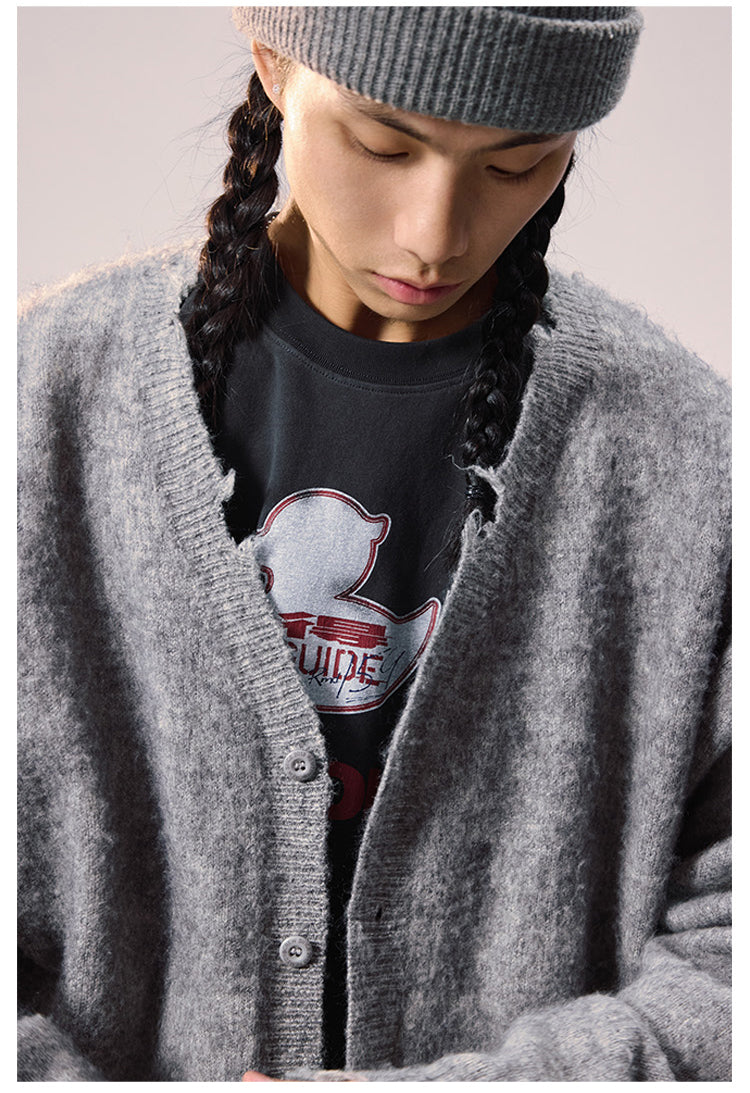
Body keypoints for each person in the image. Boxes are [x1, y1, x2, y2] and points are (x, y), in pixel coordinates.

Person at [17, 5, 730, 1082]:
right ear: (274, 62)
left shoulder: (691, 457)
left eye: (517, 163)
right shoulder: (41, 402)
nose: (435, 234)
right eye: (383, 143)